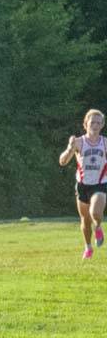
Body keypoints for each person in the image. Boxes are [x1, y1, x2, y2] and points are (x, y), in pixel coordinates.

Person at [58, 108, 106, 259]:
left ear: (102, 125)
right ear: (86, 124)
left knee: (95, 213)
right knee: (85, 221)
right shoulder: (79, 142)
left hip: (100, 184)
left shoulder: (105, 143)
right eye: (93, 122)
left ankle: (98, 227)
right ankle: (88, 247)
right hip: (82, 185)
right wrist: (70, 148)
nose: (95, 125)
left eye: (99, 122)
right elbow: (62, 161)